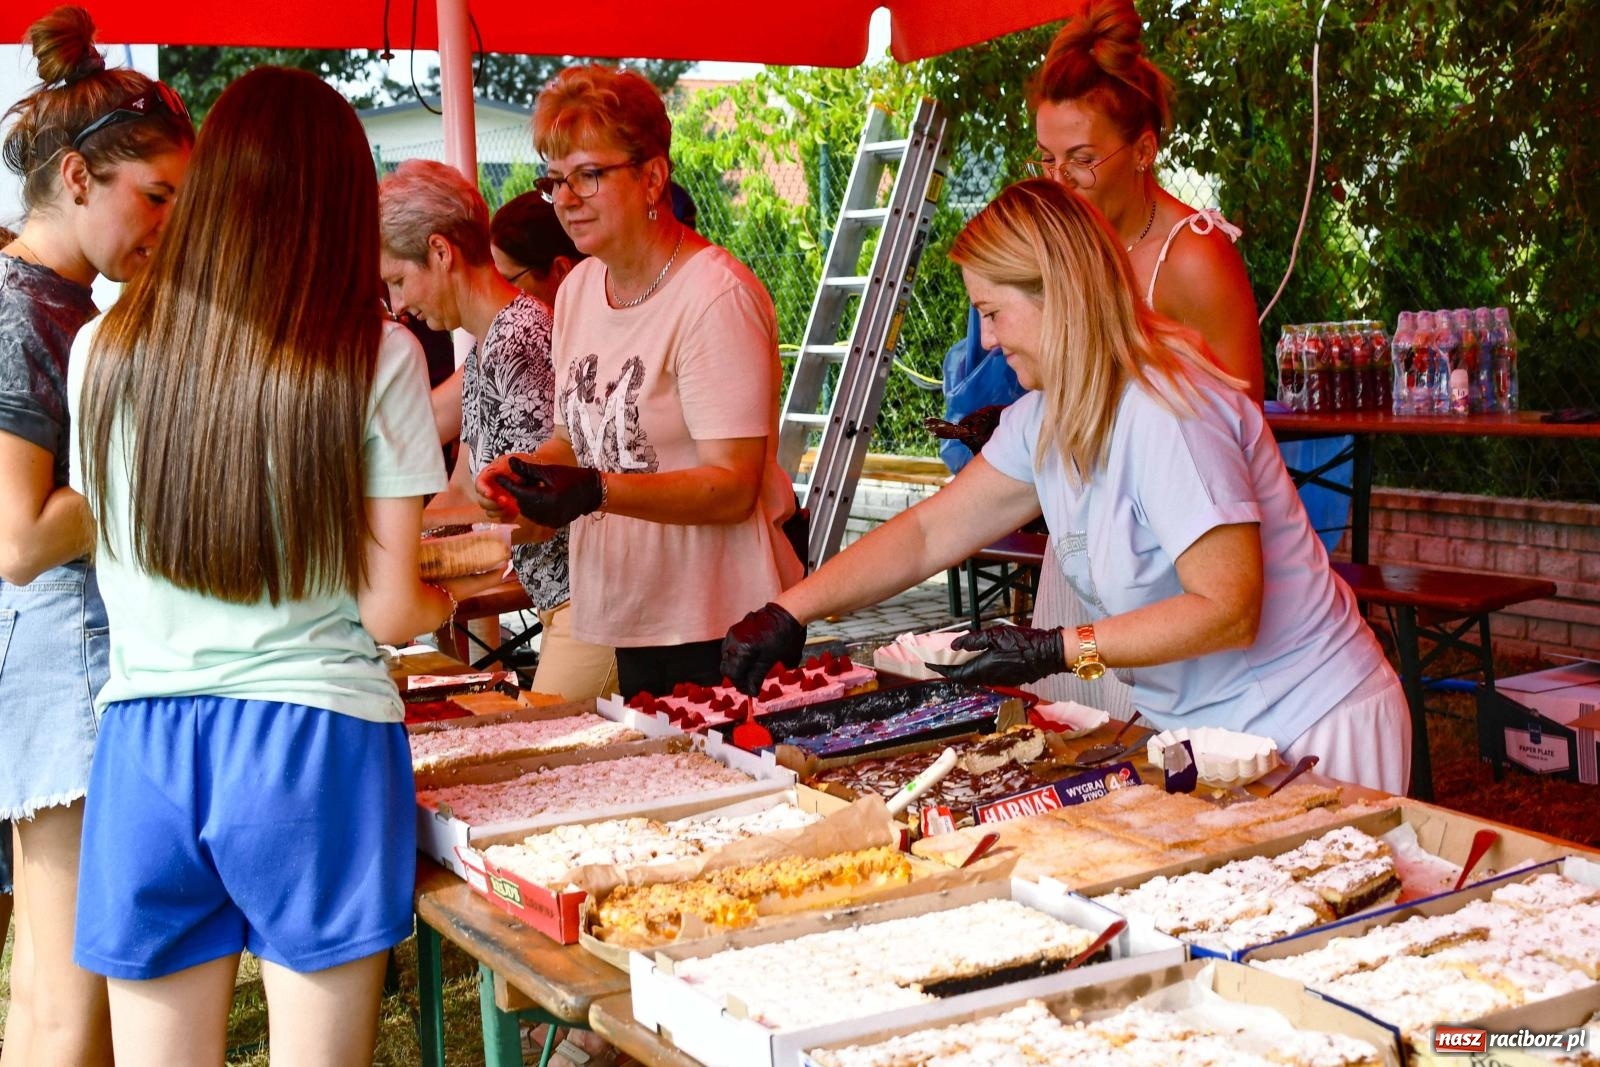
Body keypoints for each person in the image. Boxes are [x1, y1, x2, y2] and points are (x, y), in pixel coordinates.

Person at [67, 67, 496, 1066]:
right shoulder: (374, 352)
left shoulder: (100, 349)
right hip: (312, 740)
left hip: (144, 739)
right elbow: (393, 609)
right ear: (343, 201)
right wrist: (443, 589)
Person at [724, 180, 1409, 795]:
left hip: (1311, 724)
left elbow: (1229, 607)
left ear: (1058, 292)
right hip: (1207, 735)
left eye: (992, 312)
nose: (987, 339)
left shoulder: (1169, 410)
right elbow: (929, 533)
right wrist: (791, 609)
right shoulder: (1045, 416)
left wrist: (1057, 648)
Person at [933, 0, 1266, 716]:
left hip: (1172, 554)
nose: (1061, 179)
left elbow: (1239, 424)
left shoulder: (1195, 255)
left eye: (1082, 159)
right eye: (1047, 159)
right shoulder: (1058, 244)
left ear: (1143, 149)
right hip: (1082, 535)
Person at [476, 64, 802, 700]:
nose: (566, 198)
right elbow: (575, 439)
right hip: (626, 612)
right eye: (555, 181)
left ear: (652, 175)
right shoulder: (575, 292)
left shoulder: (714, 296)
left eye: (589, 175)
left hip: (723, 625)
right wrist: (524, 474)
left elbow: (733, 487)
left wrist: (594, 491)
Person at [0, 9, 193, 1064]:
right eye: (155, 195)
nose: (165, 222)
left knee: (60, 985)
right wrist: (157, 447)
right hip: (64, 658)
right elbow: (21, 537)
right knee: (71, 999)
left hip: (79, 653)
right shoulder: (22, 306)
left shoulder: (70, 300)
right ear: (78, 177)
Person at [381, 160, 618, 700]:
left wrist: (398, 555)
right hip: (564, 605)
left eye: (398, 280)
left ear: (441, 253)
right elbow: (464, 490)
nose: (399, 305)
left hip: (590, 606)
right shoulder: (488, 342)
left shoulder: (518, 338)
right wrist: (390, 537)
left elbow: (532, 510)